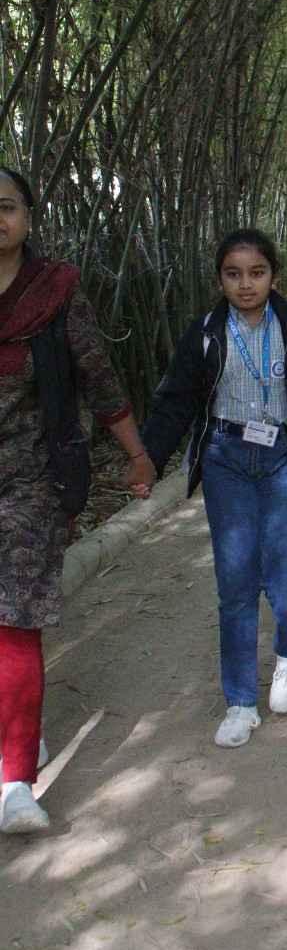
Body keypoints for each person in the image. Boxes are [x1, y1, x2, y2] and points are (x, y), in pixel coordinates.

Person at [141, 229, 287, 748]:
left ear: (273, 276)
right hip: (226, 459)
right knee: (235, 579)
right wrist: (145, 460)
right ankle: (240, 700)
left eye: (256, 273)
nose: (245, 284)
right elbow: (174, 400)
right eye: (233, 274)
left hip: (283, 456)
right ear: (220, 279)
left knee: (285, 571)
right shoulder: (207, 332)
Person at [0, 168, 153, 832]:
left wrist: (136, 450)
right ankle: (17, 733)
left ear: (29, 217)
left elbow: (95, 369)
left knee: (13, 618)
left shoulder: (56, 290)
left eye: (4, 207)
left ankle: (12, 786)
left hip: (33, 477)